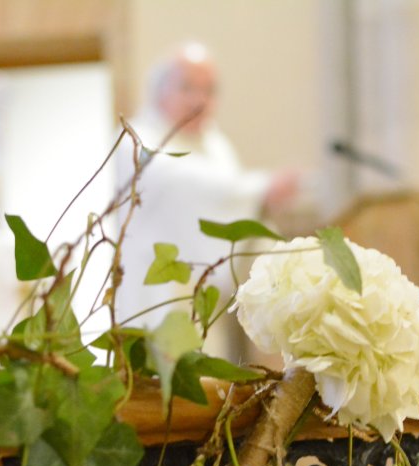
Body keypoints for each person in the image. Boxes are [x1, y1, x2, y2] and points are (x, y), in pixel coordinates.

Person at [113, 42, 298, 355]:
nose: (199, 100)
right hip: (154, 296)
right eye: (187, 88)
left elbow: (231, 213)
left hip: (204, 300)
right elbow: (184, 184)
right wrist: (259, 189)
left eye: (209, 90)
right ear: (160, 92)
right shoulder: (139, 140)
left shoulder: (217, 146)